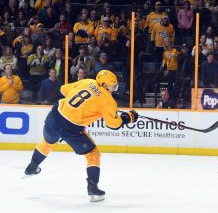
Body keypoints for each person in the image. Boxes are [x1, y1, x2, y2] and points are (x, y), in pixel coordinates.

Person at [24, 70, 138, 202]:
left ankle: (32, 166)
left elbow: (64, 89)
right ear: (105, 85)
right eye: (113, 86)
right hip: (70, 128)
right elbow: (114, 124)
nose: (114, 89)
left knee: (47, 143)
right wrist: (128, 118)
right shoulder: (108, 101)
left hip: (54, 116)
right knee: (93, 154)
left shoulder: (87, 81)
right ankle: (93, 188)